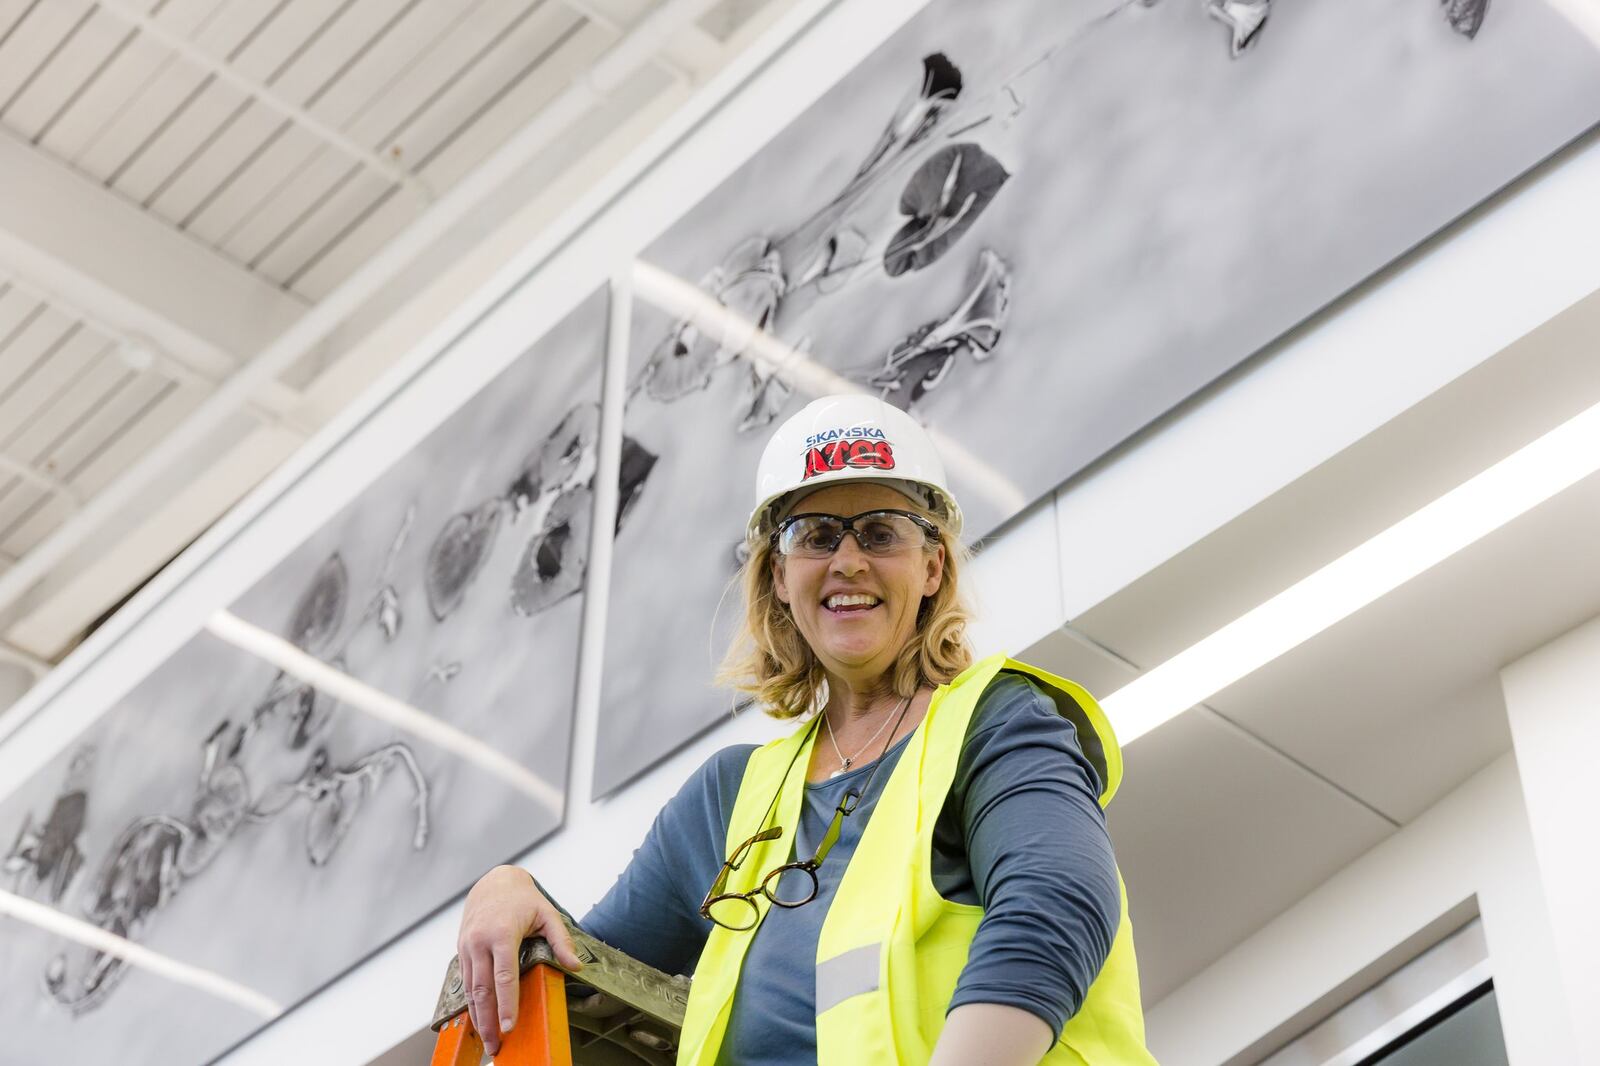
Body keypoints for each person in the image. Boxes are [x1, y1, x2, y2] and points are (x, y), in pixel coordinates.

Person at [457, 394, 1157, 1064]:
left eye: (881, 531)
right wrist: (506, 887)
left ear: (932, 565)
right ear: (780, 577)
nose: (848, 560)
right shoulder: (726, 802)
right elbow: (582, 988)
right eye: (815, 535)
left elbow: (1057, 907)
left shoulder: (996, 725)